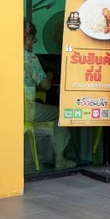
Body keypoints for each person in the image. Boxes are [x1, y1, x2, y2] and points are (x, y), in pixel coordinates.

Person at [24, 20, 75, 170]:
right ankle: (60, 160)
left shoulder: (4, 56)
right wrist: (47, 78)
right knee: (61, 115)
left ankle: (27, 157)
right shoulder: (29, 59)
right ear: (27, 38)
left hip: (8, 108)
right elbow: (46, 85)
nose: (33, 42)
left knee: (27, 125)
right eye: (34, 39)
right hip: (26, 109)